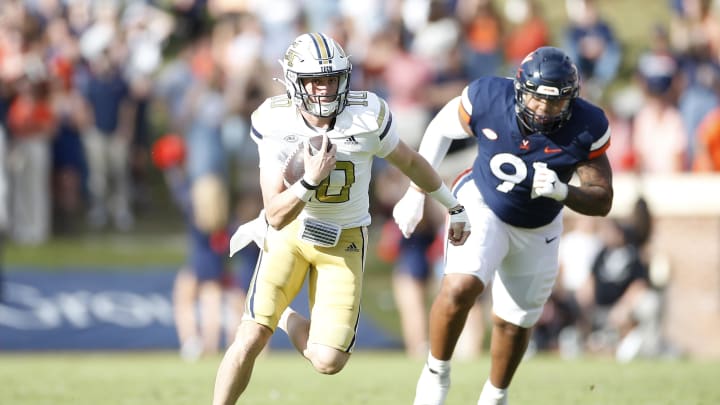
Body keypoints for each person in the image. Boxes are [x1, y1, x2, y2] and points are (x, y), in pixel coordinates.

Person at [211, 32, 471, 405]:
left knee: (328, 360)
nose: (324, 88)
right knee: (250, 336)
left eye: (331, 78)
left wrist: (453, 205)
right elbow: (275, 214)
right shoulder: (274, 119)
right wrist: (309, 180)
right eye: (315, 80)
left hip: (344, 239)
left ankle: (281, 314)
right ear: (293, 82)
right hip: (291, 232)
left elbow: (412, 162)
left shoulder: (366, 115)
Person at [393, 46, 613, 405]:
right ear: (520, 88)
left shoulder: (586, 126)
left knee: (515, 321)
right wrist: (416, 192)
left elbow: (602, 198)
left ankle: (495, 395)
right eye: (537, 99)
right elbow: (439, 129)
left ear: (571, 101)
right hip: (483, 200)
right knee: (461, 286)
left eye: (555, 103)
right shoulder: (488, 96)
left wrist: (562, 190)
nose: (543, 109)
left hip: (539, 225)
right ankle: (436, 374)